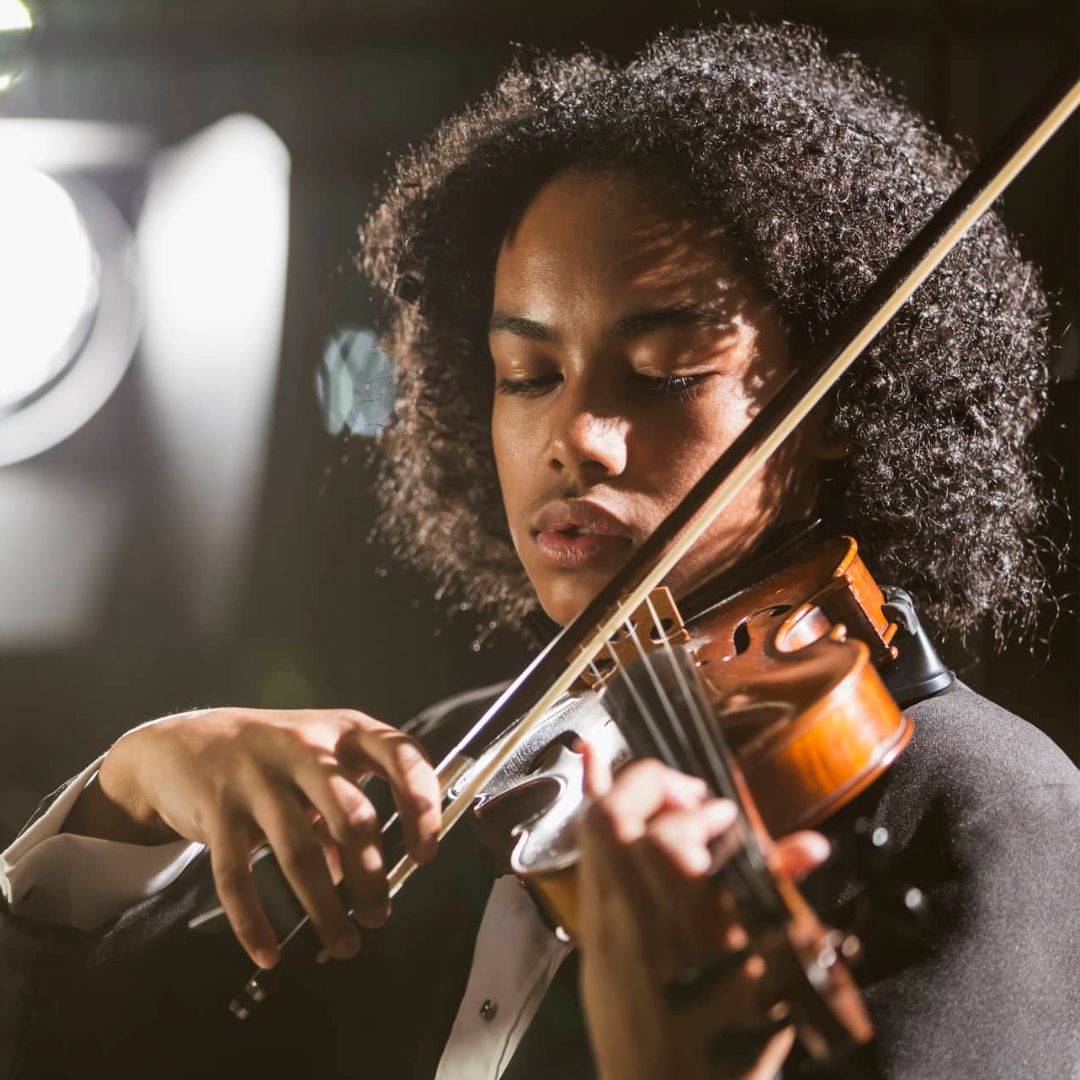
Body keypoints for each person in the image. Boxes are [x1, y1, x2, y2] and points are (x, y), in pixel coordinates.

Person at [1, 21, 1077, 1080]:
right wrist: (128, 793)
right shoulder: (442, 771)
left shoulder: (991, 812)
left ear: (840, 402)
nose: (574, 437)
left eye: (662, 371)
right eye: (527, 374)